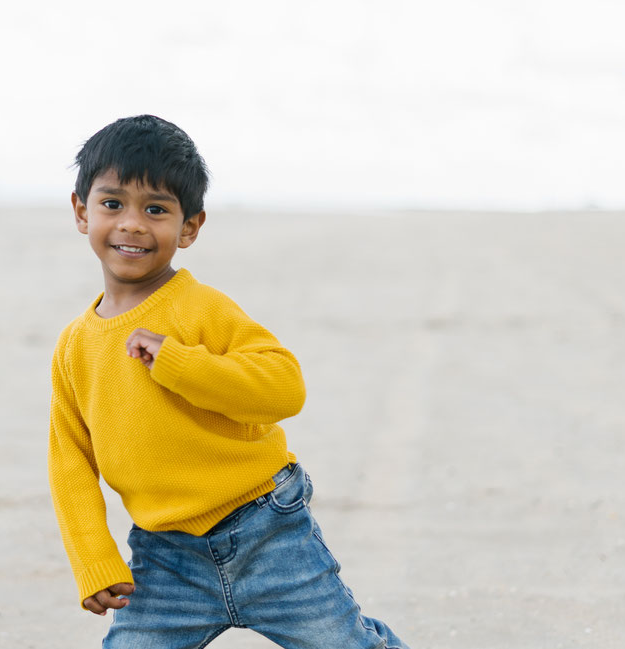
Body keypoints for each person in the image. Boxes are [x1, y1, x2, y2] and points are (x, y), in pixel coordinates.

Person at [48, 114, 410, 648]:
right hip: (165, 559)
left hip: (267, 532)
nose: (132, 223)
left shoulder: (202, 309)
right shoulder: (75, 345)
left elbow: (284, 388)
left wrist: (179, 363)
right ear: (82, 211)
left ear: (189, 227)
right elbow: (69, 458)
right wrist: (93, 558)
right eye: (112, 203)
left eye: (156, 209)